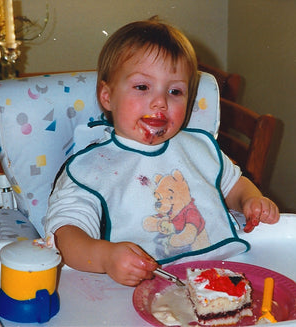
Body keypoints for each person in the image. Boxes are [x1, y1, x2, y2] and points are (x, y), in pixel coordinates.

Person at [45, 17, 279, 287]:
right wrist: (105, 257)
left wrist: (251, 200)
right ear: (107, 97)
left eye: (175, 91)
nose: (160, 102)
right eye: (142, 87)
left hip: (226, 274)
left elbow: (234, 186)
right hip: (139, 289)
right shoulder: (91, 168)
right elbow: (64, 236)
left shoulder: (197, 148)